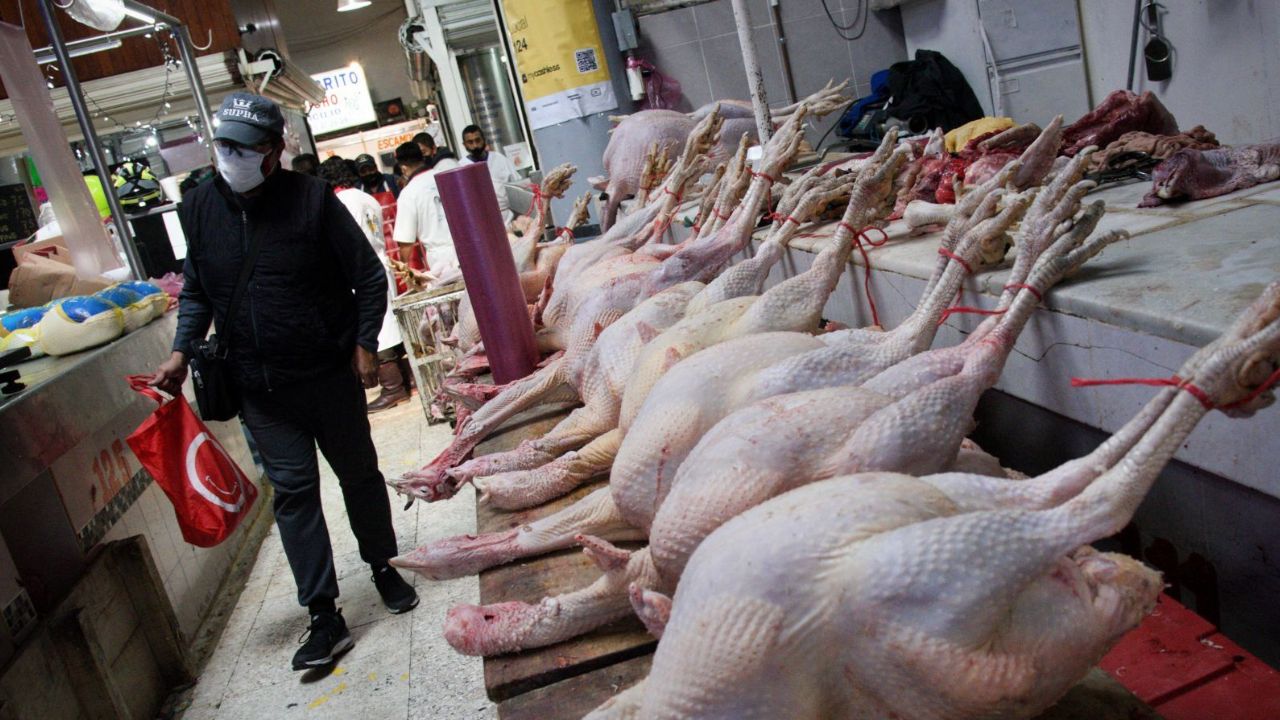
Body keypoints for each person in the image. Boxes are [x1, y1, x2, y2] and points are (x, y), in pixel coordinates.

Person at [150, 93, 418, 672]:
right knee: (294, 494)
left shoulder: (312, 200)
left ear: (273, 152)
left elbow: (369, 277)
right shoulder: (197, 207)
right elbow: (196, 289)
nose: (229, 157)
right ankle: (324, 614)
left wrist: (365, 344)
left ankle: (384, 566)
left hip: (325, 374)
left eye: (243, 149)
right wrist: (179, 351)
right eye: (222, 146)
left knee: (359, 477)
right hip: (257, 386)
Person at [317, 156, 413, 412]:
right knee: (391, 325)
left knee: (376, 331)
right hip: (380, 264)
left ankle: (393, 387)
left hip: (358, 270)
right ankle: (407, 378)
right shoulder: (367, 198)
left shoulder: (339, 203)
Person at [391, 141, 460, 283]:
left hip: (441, 260)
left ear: (403, 168)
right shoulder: (446, 177)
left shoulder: (408, 193)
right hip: (466, 248)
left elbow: (405, 242)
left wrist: (403, 269)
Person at [460, 124, 521, 224]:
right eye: (470, 142)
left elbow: (517, 185)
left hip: (507, 218)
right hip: (481, 221)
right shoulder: (461, 167)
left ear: (484, 140)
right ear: (465, 145)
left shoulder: (499, 159)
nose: (475, 145)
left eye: (478, 140)